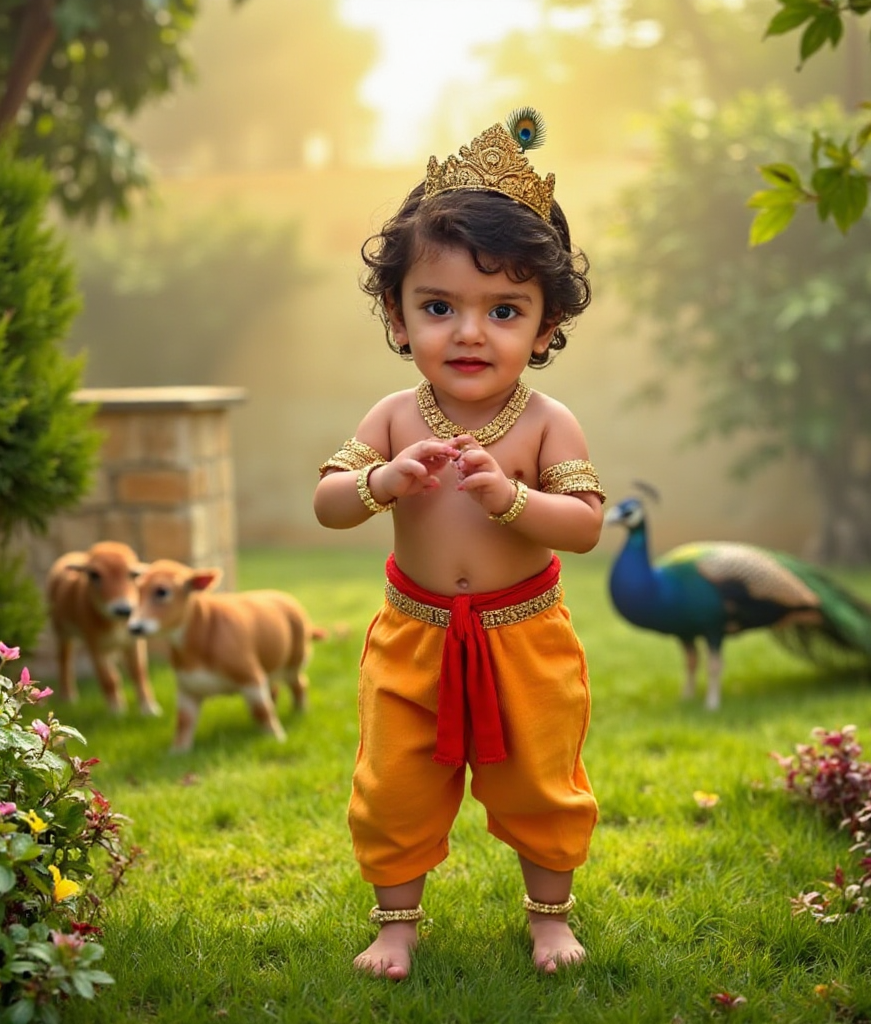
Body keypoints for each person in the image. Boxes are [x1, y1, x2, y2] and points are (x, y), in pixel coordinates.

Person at [313, 108, 605, 981]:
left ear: (546, 327)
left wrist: (514, 499)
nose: (469, 332)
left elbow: (586, 525)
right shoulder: (395, 417)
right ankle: (396, 926)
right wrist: (384, 482)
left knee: (540, 782)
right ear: (399, 319)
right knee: (394, 786)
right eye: (439, 306)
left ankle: (549, 917)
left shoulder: (548, 422)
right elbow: (329, 503)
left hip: (525, 637)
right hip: (417, 636)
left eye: (503, 309)